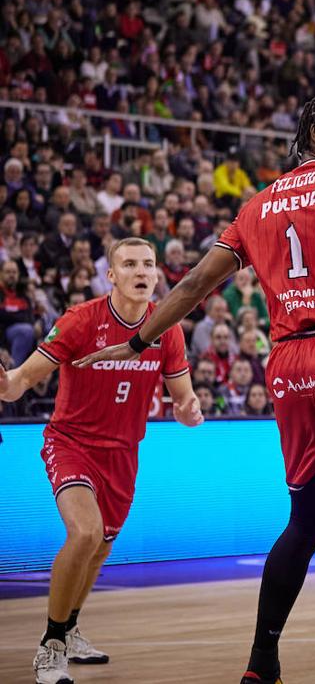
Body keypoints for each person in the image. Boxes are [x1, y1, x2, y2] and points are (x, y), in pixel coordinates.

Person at [76, 96, 315, 684]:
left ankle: (262, 664)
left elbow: (191, 286)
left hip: (288, 366)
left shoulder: (258, 204)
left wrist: (137, 343)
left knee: (307, 521)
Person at [0, 237, 201, 684]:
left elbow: (184, 398)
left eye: (148, 264)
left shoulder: (166, 328)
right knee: (85, 532)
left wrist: (189, 410)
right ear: (110, 275)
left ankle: (70, 629)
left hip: (124, 453)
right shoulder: (80, 320)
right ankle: (50, 646)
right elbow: (25, 378)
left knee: (102, 545)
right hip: (71, 442)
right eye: (129, 264)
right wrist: (8, 383)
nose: (142, 272)